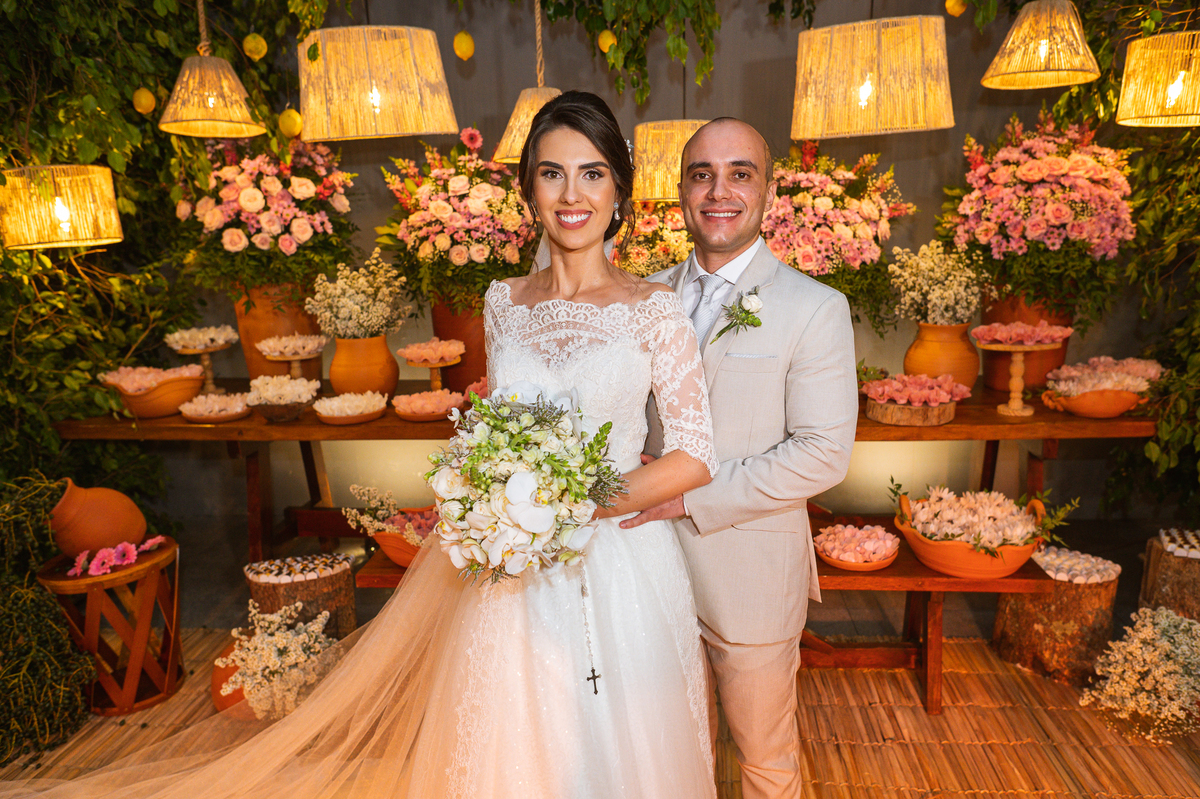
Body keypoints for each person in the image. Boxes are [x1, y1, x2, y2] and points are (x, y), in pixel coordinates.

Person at [0, 92, 719, 799]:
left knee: (619, 745)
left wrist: (565, 504)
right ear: (529, 189)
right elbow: (498, 429)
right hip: (510, 570)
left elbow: (694, 453)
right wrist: (493, 494)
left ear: (619, 190)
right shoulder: (503, 302)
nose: (572, 194)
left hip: (618, 561)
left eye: (593, 173)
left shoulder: (654, 309)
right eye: (552, 173)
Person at [625, 118, 859, 799]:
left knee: (765, 762)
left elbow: (823, 453)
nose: (718, 191)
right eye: (701, 174)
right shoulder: (639, 298)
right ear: (680, 191)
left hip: (750, 576)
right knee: (660, 757)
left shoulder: (814, 308)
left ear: (768, 191)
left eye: (739, 173)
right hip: (643, 565)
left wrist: (687, 495)